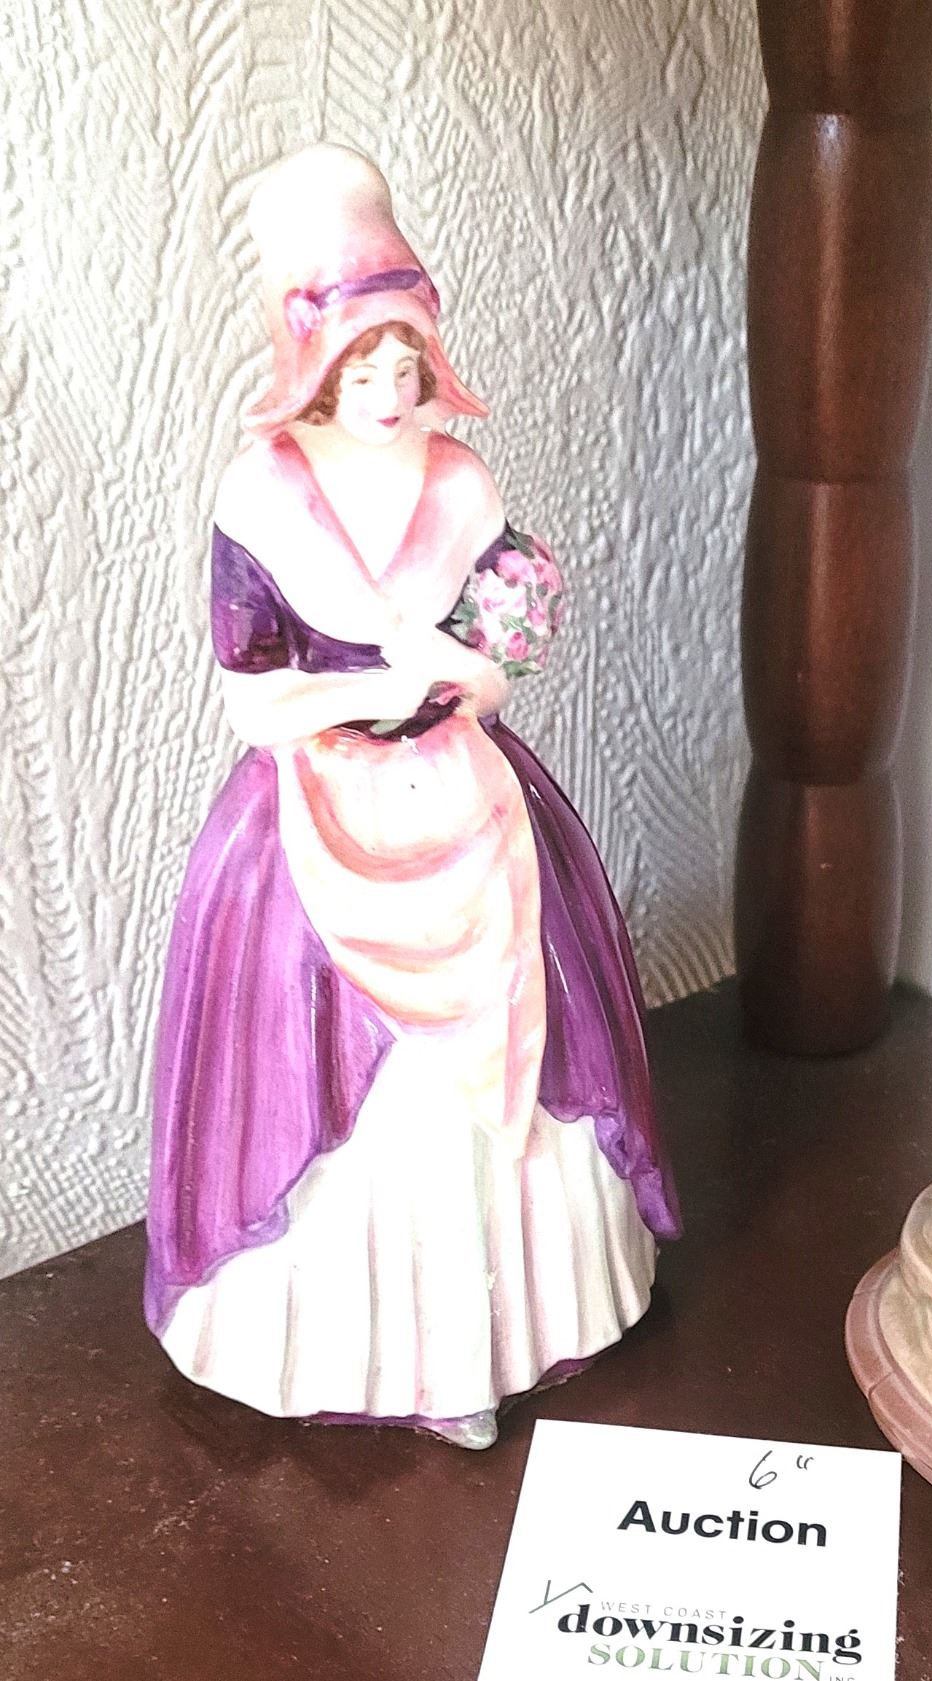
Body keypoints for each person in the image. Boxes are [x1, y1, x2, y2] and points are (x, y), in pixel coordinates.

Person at [145, 145, 678, 1449]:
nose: (388, 394)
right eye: (360, 369)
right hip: (313, 823)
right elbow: (253, 697)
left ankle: (487, 1342)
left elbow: (498, 655)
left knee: (511, 1043)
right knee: (330, 1060)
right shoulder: (261, 497)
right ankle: (346, 1340)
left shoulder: (462, 485)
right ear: (309, 360)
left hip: (469, 806)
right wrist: (375, 686)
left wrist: (472, 677)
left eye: (405, 365)